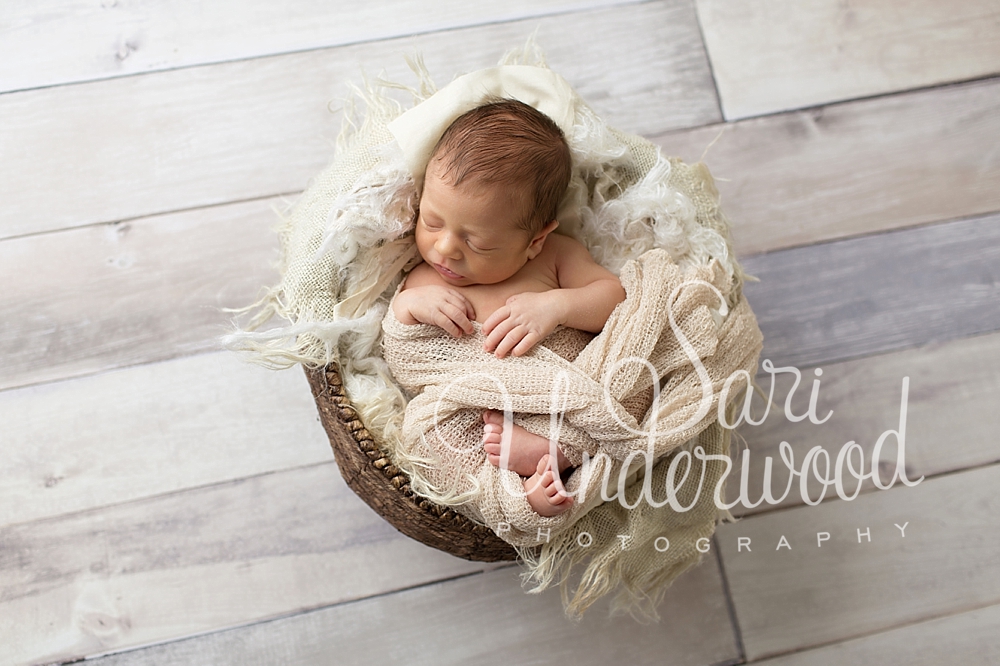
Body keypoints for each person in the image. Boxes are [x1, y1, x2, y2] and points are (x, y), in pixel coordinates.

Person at [390, 99, 626, 517]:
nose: (445, 249)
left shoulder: (555, 256)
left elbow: (615, 301)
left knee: (624, 385)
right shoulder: (423, 278)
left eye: (477, 242)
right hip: (471, 410)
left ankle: (555, 455)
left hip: (557, 396)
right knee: (426, 434)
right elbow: (405, 355)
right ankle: (516, 498)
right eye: (431, 221)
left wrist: (557, 305)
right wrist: (410, 305)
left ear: (534, 240)